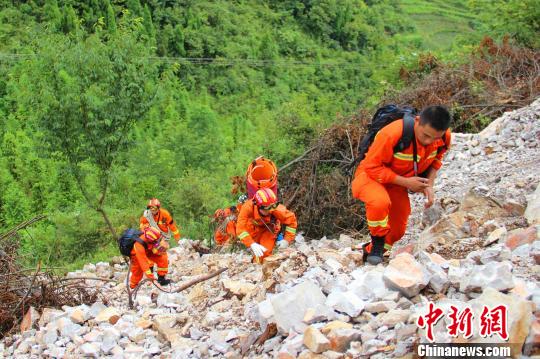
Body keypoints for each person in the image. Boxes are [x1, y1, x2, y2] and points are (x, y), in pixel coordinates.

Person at [352, 105, 452, 265]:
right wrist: (407, 182)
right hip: (370, 176)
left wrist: (429, 185)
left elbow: (436, 160)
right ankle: (377, 244)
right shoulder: (392, 133)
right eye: (425, 135)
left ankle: (371, 252)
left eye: (434, 138)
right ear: (418, 121)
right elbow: (372, 167)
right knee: (380, 202)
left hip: (396, 182)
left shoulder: (444, 137)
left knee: (397, 229)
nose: (428, 141)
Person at [236, 188, 298, 262]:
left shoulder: (276, 208)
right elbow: (240, 229)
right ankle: (255, 262)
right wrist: (251, 244)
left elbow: (291, 220)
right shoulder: (247, 207)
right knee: (257, 249)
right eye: (267, 208)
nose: (271, 210)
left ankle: (258, 263)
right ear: (258, 206)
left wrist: (286, 240)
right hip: (253, 229)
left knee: (265, 253)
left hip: (269, 229)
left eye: (273, 206)